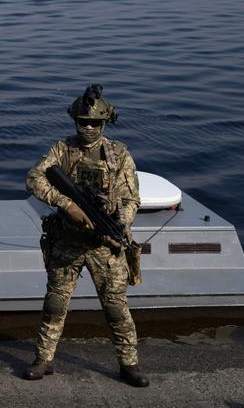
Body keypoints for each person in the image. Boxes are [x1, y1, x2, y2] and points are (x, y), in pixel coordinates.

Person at [23, 84, 149, 387]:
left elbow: (132, 199)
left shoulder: (119, 154)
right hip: (67, 242)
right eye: (83, 122)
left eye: (94, 123)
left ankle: (129, 365)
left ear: (104, 123)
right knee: (55, 304)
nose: (89, 128)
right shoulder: (62, 150)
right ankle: (44, 359)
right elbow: (34, 178)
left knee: (116, 308)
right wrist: (66, 204)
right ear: (75, 121)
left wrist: (121, 223)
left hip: (104, 246)